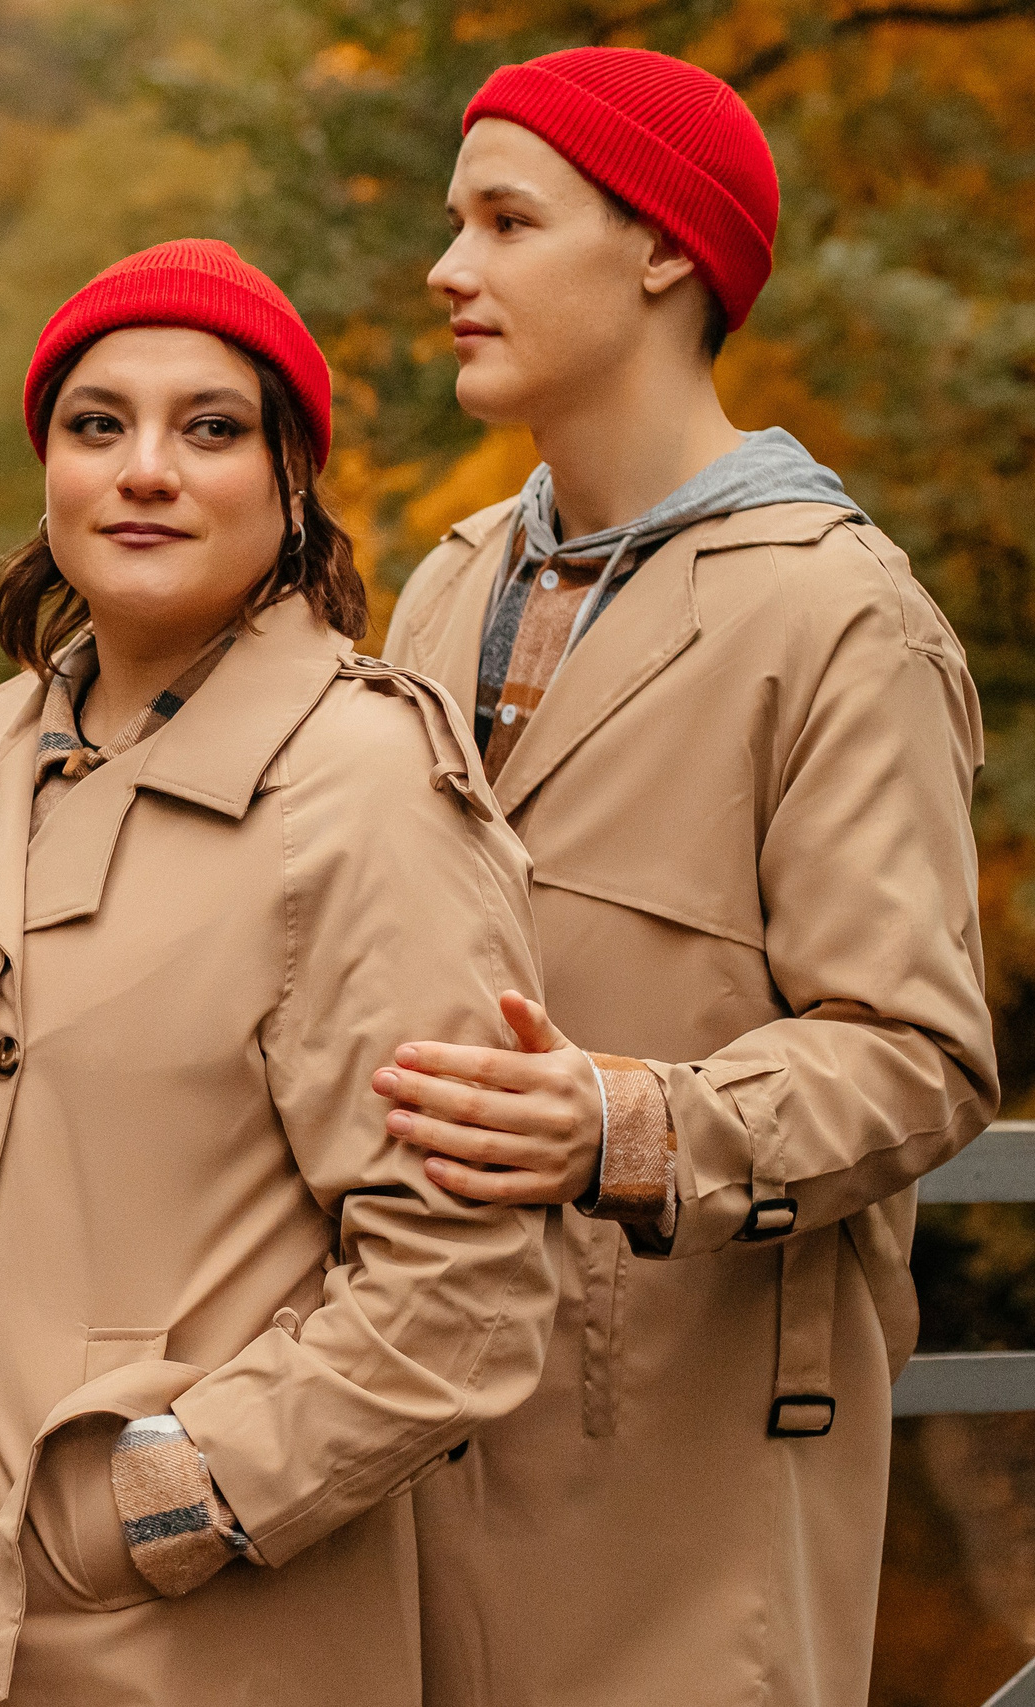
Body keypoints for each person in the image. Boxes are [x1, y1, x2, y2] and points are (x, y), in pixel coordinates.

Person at [0, 239, 559, 1707]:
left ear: (291, 482)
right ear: (47, 470)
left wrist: (157, 1508)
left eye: (210, 428)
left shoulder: (367, 793)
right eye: (96, 424)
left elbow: (462, 1301)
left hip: (160, 1648)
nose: (146, 469)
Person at [376, 47, 998, 1706]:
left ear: (665, 250)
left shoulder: (840, 618)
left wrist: (624, 1126)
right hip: (406, 1440)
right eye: (458, 222)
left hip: (688, 1483)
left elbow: (919, 1057)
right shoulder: (443, 590)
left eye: (508, 222)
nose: (451, 272)